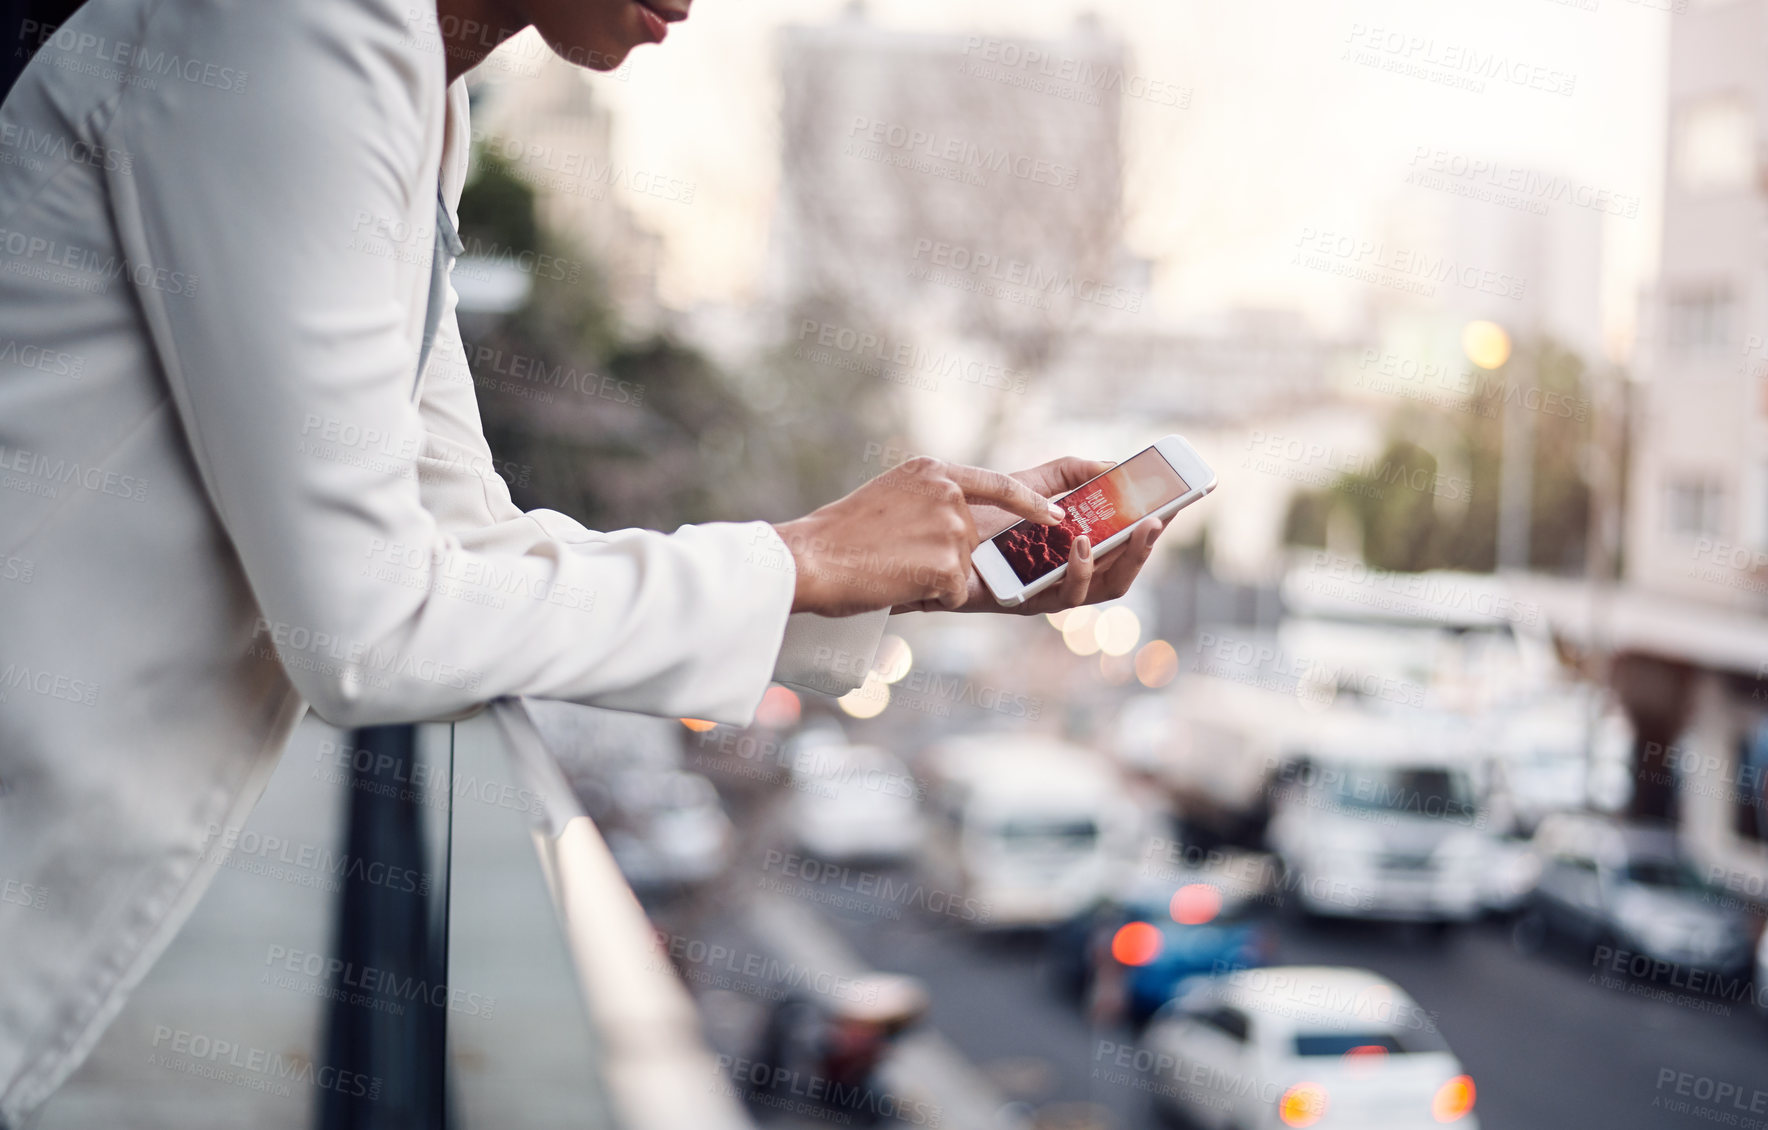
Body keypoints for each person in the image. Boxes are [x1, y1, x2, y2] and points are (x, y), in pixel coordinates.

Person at [0, 0, 1167, 1119]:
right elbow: (363, 631)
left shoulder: (410, 85)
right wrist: (795, 556)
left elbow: (466, 541)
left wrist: (915, 571)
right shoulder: (300, 30)